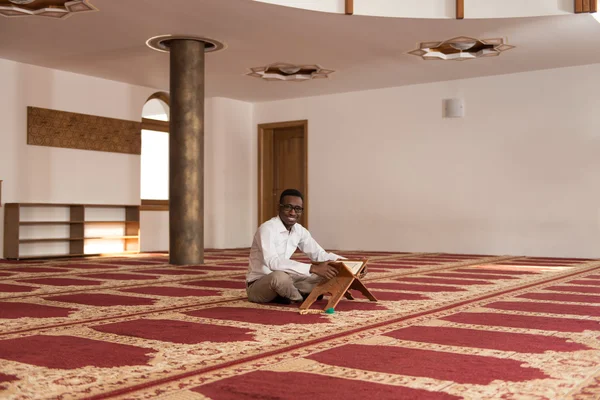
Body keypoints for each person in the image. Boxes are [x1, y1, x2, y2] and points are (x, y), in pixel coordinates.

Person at [246, 188, 341, 303]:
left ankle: (288, 295)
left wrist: (352, 264)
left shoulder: (299, 230)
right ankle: (299, 298)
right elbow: (273, 263)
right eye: (288, 207)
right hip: (260, 284)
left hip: (287, 278)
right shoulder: (267, 229)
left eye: (297, 209)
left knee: (325, 275)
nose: (292, 213)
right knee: (279, 278)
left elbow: (319, 254)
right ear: (279, 207)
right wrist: (312, 268)